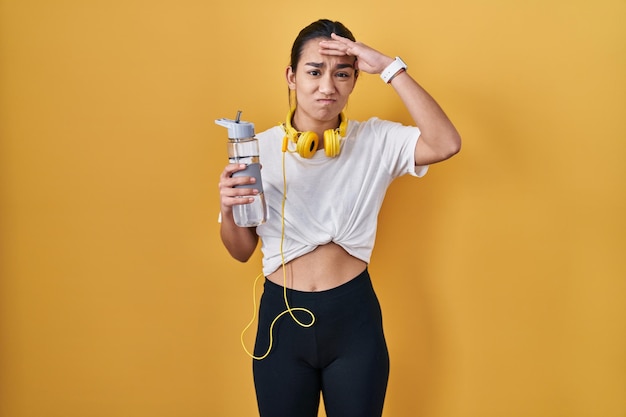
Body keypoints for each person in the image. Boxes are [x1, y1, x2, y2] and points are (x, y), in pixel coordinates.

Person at [218, 18, 461, 417]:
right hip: (281, 321)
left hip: (353, 320)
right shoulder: (254, 149)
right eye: (314, 72)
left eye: (342, 74)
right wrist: (228, 209)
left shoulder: (376, 141)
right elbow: (241, 251)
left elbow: (446, 143)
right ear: (292, 76)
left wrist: (388, 66)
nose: (328, 86)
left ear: (354, 80)